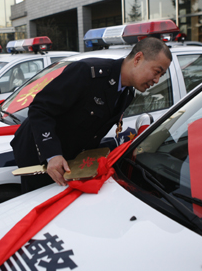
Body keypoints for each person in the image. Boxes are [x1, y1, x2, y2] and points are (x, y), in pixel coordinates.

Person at [10, 37, 172, 193]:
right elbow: (39, 109)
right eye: (157, 72)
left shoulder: (127, 93)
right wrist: (52, 155)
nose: (157, 80)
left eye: (161, 76)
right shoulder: (87, 73)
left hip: (69, 163)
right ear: (138, 58)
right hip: (39, 157)